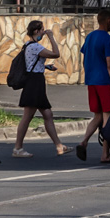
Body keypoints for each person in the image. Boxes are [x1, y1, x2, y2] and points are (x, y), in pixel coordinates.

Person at [12, 20, 73, 157]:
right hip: (34, 84)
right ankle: (17, 148)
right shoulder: (35, 47)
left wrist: (46, 67)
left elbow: (31, 64)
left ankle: (59, 146)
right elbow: (56, 53)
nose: (43, 33)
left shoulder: (29, 45)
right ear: (36, 31)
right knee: (27, 116)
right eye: (42, 30)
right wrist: (51, 37)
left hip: (36, 82)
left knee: (48, 115)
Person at [76, 9, 110, 163]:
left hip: (91, 81)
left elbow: (85, 59)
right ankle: (105, 154)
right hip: (104, 82)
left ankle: (84, 141)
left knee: (97, 116)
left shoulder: (89, 37)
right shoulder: (107, 39)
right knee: (107, 117)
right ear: (108, 20)